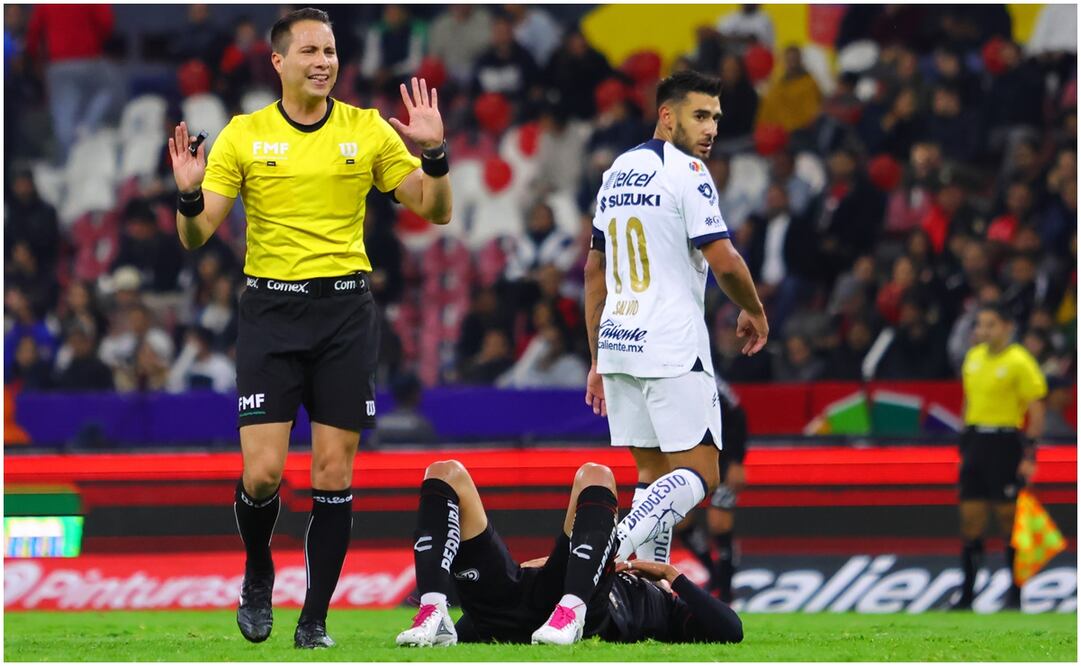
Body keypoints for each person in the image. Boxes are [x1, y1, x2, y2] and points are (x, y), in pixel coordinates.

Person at [166, 8, 453, 649]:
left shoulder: (368, 129)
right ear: (278, 62)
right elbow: (196, 234)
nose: (324, 61)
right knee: (263, 474)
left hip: (346, 313)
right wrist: (187, 194)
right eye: (309, 51)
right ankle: (258, 569)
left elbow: (436, 211)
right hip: (271, 313)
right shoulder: (243, 135)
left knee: (333, 471)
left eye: (330, 50)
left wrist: (433, 153)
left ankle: (314, 620)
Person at [583, 70, 769, 568]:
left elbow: (594, 272)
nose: (710, 129)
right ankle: (606, 552)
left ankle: (651, 584)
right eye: (700, 116)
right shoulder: (687, 172)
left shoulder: (616, 172)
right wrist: (753, 309)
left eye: (715, 119)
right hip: (671, 342)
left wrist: (597, 357)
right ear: (667, 117)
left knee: (654, 474)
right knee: (702, 475)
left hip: (619, 340)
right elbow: (725, 258)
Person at [394, 459, 744, 647]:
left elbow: (730, 628)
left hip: (588, 608)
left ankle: (570, 612)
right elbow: (482, 623)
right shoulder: (609, 564)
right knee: (444, 472)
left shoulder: (667, 608)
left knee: (598, 474)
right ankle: (433, 611)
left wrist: (670, 575)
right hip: (524, 596)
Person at [953, 303, 1047, 610]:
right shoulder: (973, 358)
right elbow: (969, 400)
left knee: (1008, 519)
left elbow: (1035, 408)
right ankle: (967, 595)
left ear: (1007, 326)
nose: (983, 331)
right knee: (971, 518)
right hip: (975, 440)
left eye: (990, 325)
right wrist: (963, 437)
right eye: (980, 325)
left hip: (1005, 442)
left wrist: (1030, 453)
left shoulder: (1020, 361)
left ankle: (1015, 595)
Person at [675, 378, 748, 602]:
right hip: (690, 459)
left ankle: (726, 591)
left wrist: (736, 461)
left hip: (724, 461)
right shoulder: (666, 380)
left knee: (719, 522)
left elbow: (738, 415)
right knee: (680, 520)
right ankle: (714, 574)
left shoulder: (708, 378)